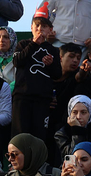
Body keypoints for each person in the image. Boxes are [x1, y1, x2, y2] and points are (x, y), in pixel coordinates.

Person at [10, 14, 62, 142]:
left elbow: (57, 74)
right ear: (31, 27)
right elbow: (17, 61)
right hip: (22, 96)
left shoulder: (53, 50)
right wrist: (34, 44)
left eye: (44, 26)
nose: (40, 29)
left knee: (39, 134)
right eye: (37, 25)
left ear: (50, 30)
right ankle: (17, 160)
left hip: (42, 99)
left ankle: (38, 161)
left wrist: (50, 65)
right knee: (20, 133)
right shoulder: (23, 44)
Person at [53, 95, 91, 164]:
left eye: (83, 112)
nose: (78, 117)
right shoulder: (62, 134)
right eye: (74, 112)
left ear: (90, 113)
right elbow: (72, 160)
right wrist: (77, 131)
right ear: (69, 114)